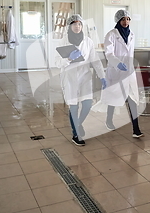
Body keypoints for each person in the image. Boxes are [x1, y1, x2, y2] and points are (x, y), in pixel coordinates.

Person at [55, 14, 106, 146]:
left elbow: (95, 61)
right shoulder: (63, 41)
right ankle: (75, 134)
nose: (77, 26)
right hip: (69, 77)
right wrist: (69, 59)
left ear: (82, 26)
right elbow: (56, 62)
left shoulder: (88, 41)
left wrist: (102, 76)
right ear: (69, 26)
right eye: (74, 24)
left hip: (85, 76)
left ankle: (77, 124)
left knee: (88, 104)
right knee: (74, 105)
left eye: (79, 24)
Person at [101, 9, 144, 138]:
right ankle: (109, 120)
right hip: (116, 71)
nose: (126, 22)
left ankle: (136, 129)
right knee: (114, 97)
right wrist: (117, 63)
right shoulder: (111, 34)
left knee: (132, 98)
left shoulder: (132, 34)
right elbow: (108, 53)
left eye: (128, 19)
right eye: (123, 19)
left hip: (129, 72)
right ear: (118, 20)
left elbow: (130, 52)